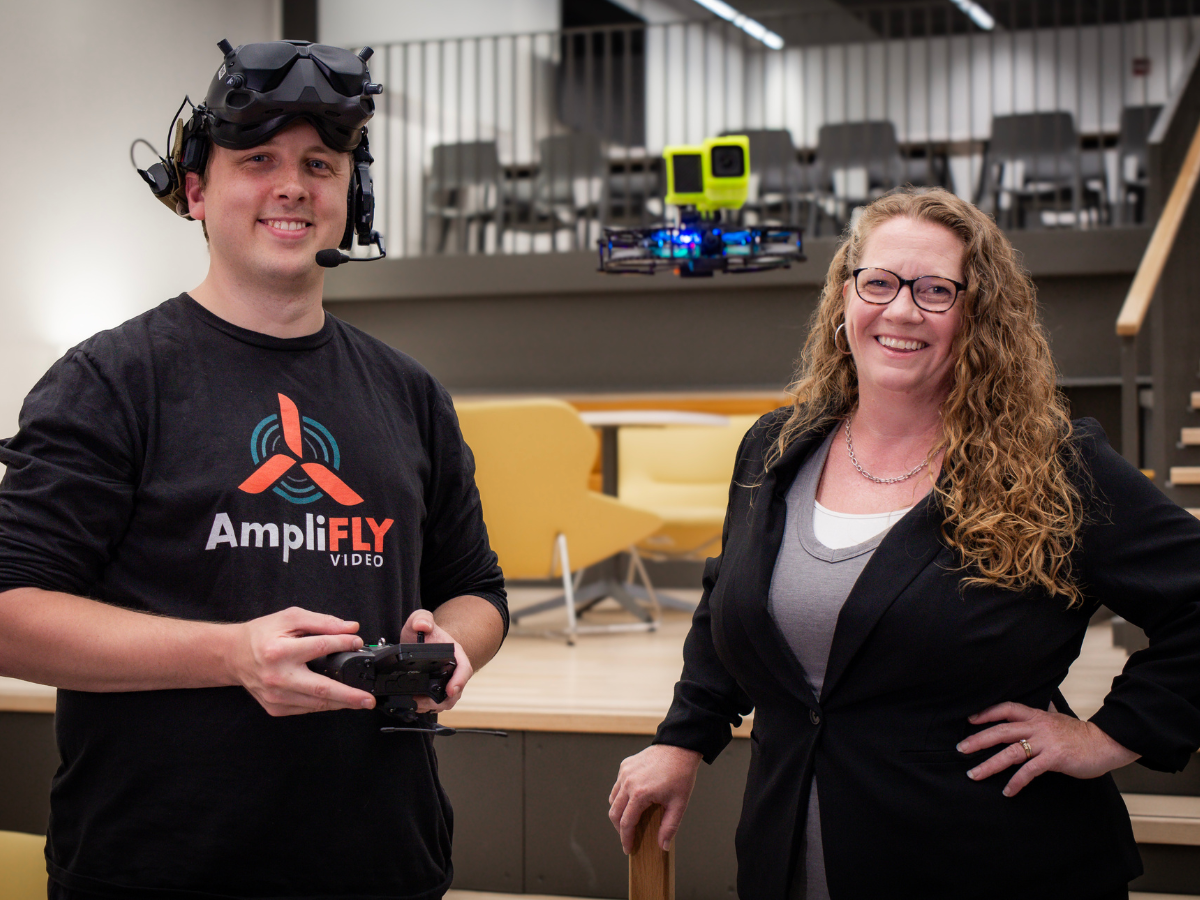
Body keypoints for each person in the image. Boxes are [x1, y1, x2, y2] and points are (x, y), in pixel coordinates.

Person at [0, 39, 507, 900]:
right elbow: (10, 611)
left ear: (353, 194)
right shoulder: (112, 380)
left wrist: (454, 645)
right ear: (196, 190)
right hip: (158, 864)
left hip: (382, 863)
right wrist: (232, 654)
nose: (292, 186)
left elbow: (478, 591)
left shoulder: (409, 391)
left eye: (320, 162)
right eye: (257, 160)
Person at [608, 186, 1200, 899]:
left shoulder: (1053, 466)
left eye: (935, 290)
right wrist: (683, 737)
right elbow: (725, 604)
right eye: (879, 282)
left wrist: (1109, 736)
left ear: (978, 316)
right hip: (788, 858)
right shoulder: (776, 447)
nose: (901, 309)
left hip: (994, 866)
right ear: (844, 299)